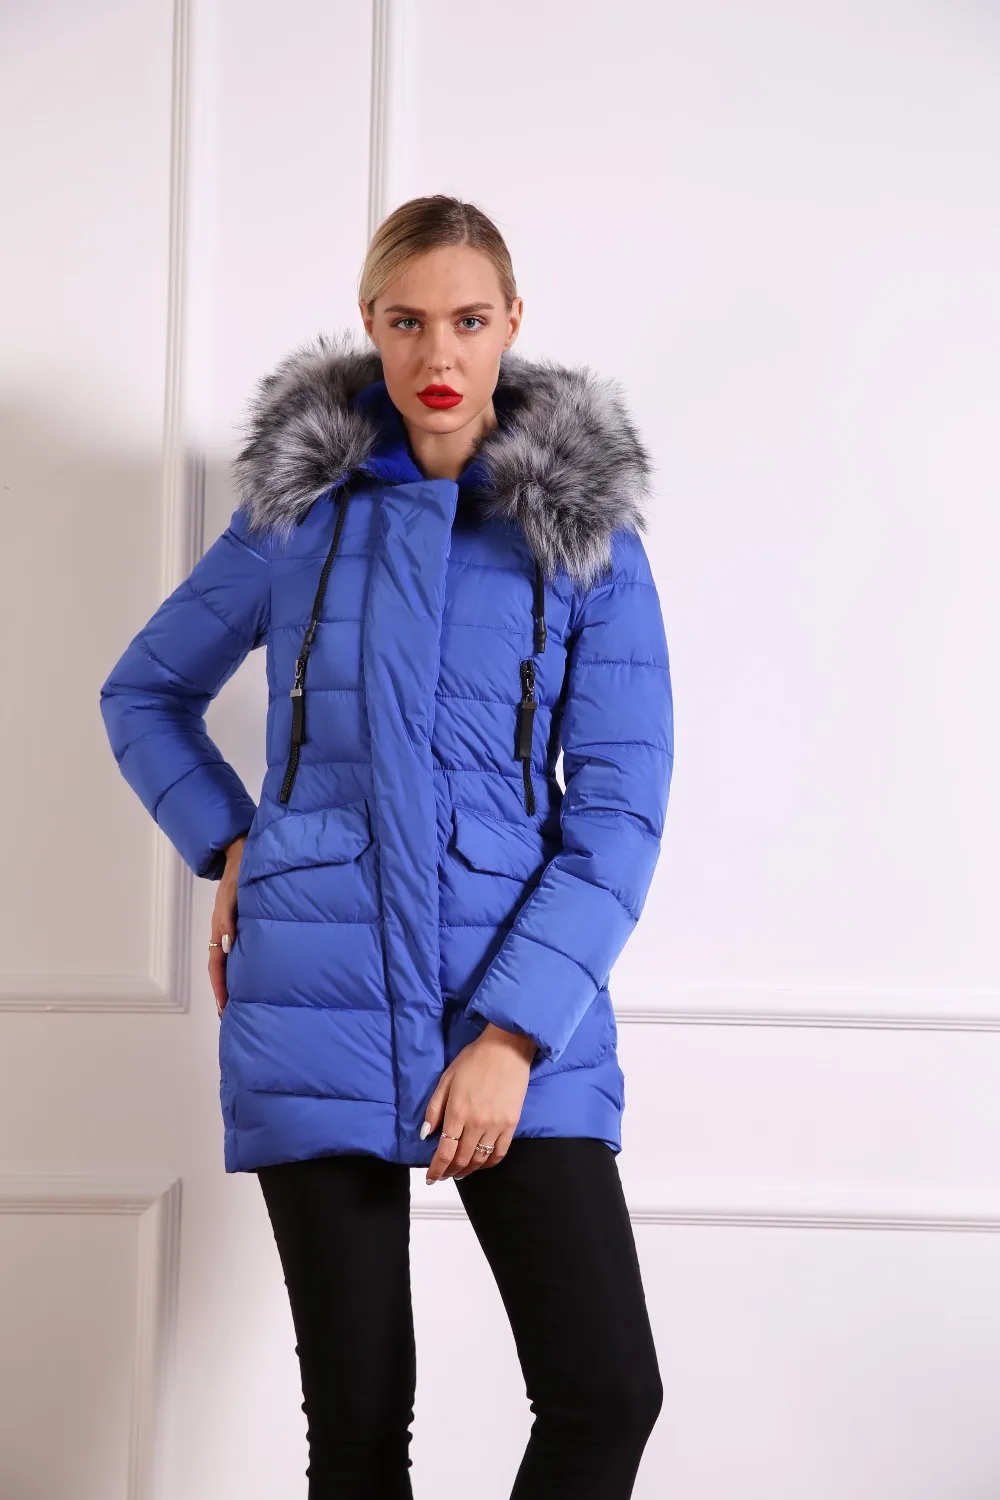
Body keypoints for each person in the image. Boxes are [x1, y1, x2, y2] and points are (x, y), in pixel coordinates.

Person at [100, 194, 675, 1499]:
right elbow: (143, 692)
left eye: (468, 321)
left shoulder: (583, 537)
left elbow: (618, 817)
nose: (439, 356)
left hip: (511, 994)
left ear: (512, 323)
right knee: (358, 1429)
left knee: (605, 1390)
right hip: (316, 996)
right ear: (370, 322)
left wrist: (513, 1036)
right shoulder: (293, 516)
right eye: (408, 322)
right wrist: (230, 844)